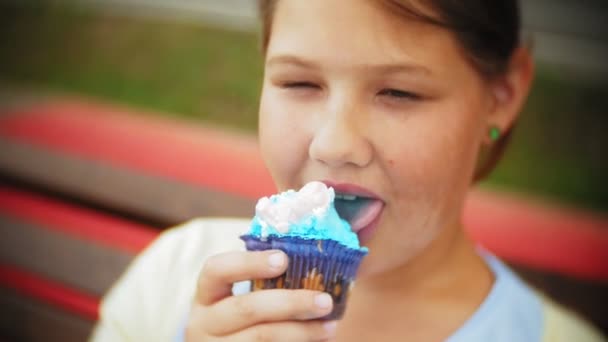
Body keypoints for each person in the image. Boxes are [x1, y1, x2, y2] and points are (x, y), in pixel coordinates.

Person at [90, 0, 605, 341]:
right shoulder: (172, 278)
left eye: (399, 92)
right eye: (299, 83)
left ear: (502, 95)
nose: (334, 144)